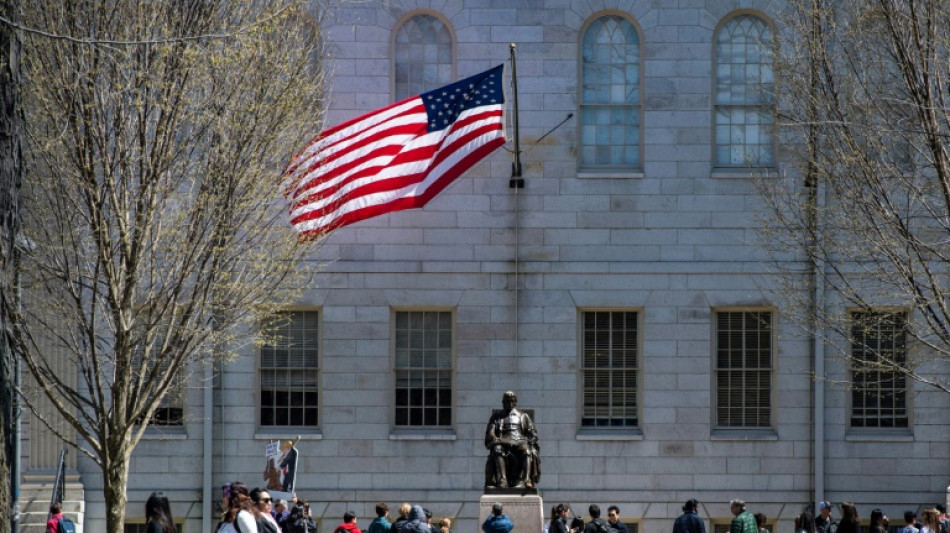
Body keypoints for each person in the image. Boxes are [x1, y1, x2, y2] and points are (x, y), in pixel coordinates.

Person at [484, 390, 540, 489]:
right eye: (507, 401)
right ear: (503, 403)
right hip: (503, 443)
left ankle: (526, 479)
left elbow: (533, 433)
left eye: (511, 401)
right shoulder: (497, 417)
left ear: (515, 402)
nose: (509, 404)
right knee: (497, 449)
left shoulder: (524, 416)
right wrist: (494, 438)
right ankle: (503, 479)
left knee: (527, 451)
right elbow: (490, 432)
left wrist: (530, 441)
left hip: (519, 442)